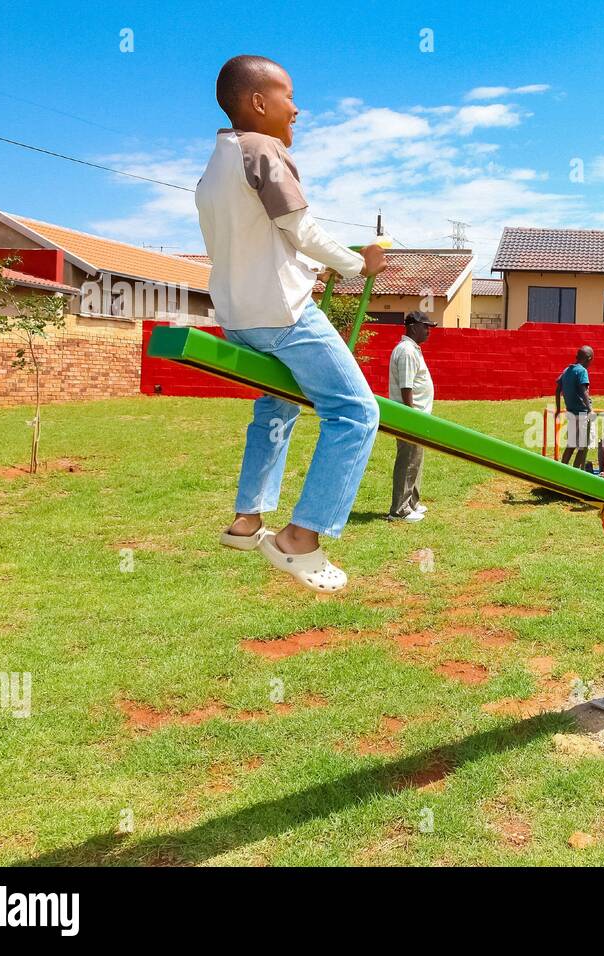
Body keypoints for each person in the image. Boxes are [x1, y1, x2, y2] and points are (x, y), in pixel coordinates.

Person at [198, 54, 386, 594]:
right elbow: (300, 228)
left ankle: (247, 518)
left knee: (276, 405)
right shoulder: (264, 150)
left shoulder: (214, 166)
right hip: (281, 313)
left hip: (236, 315)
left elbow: (251, 240)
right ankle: (300, 538)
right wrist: (359, 262)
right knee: (354, 412)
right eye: (288, 97)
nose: (297, 109)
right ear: (258, 104)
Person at [387, 311, 439, 523]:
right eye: (425, 327)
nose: (428, 331)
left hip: (418, 416)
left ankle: (412, 502)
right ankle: (399, 510)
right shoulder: (407, 351)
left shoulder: (412, 350)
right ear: (413, 327)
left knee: (416, 460)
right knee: (408, 461)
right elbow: (406, 387)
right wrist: (411, 417)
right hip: (411, 416)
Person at [555, 346, 594, 470]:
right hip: (582, 413)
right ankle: (576, 472)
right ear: (589, 358)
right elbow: (584, 391)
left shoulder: (567, 370)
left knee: (571, 445)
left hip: (571, 413)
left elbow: (557, 390)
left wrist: (558, 409)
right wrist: (590, 409)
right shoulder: (582, 371)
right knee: (583, 447)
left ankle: (562, 470)